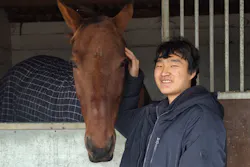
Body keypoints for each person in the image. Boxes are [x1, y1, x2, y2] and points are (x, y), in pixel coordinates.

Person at [115, 37, 227, 167]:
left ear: (192, 73)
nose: (164, 72)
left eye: (173, 65)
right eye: (159, 65)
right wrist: (133, 78)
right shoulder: (153, 114)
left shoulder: (203, 119)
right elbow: (122, 119)